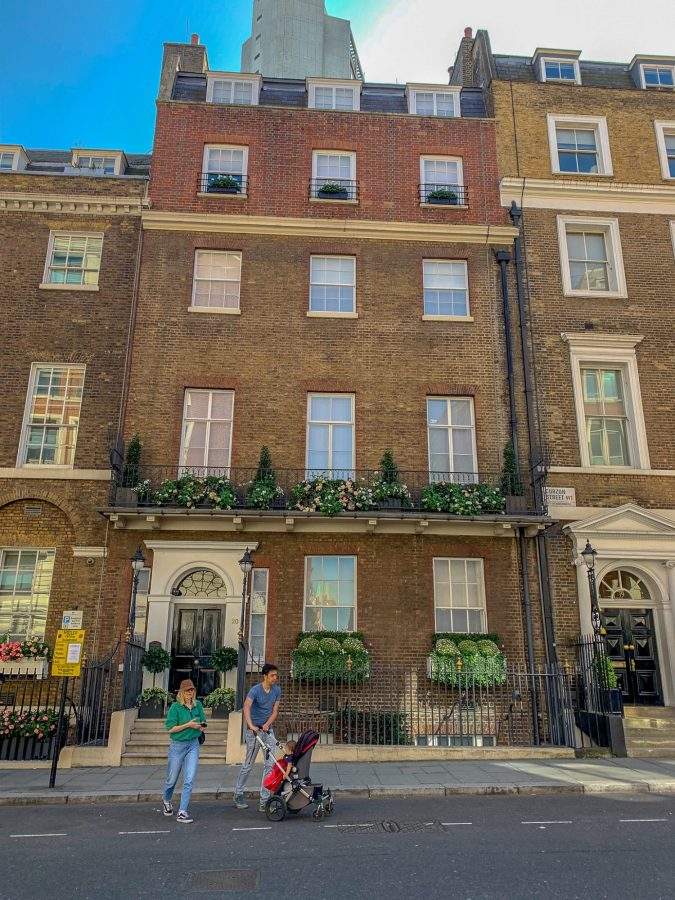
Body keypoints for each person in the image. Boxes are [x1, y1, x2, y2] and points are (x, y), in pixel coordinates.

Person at [233, 662, 281, 811]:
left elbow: (275, 711)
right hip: (254, 732)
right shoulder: (255, 690)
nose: (275, 678)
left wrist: (267, 724)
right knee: (248, 765)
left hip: (267, 731)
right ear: (265, 676)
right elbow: (246, 707)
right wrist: (251, 725)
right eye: (272, 675)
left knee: (270, 765)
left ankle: (264, 801)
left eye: (276, 675)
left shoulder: (277, 690)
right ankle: (238, 793)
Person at [162, 678, 206, 824]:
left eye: (192, 690)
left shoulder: (198, 705)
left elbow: (203, 721)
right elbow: (170, 729)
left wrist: (201, 726)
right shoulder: (175, 707)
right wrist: (188, 725)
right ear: (181, 693)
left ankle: (182, 811)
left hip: (193, 744)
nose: (190, 693)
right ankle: (166, 800)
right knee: (172, 779)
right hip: (177, 746)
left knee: (189, 779)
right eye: (187, 691)